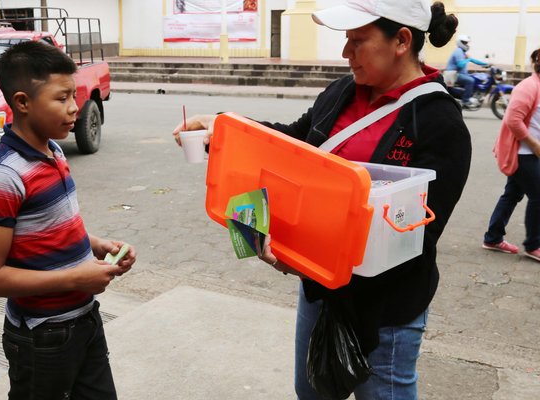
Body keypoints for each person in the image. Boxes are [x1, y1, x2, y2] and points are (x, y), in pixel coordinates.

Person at [172, 1, 470, 399]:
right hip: (320, 290)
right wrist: (224, 127)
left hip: (386, 311)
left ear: (401, 40)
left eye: (357, 41)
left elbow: (417, 238)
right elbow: (293, 143)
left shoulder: (438, 122)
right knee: (311, 391)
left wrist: (318, 257)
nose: (345, 53)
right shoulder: (343, 91)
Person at [0, 41, 136, 400]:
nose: (74, 108)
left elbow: (51, 223)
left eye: (73, 96)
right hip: (42, 336)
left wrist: (96, 243)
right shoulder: (3, 176)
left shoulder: (53, 149)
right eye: (61, 99)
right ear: (22, 102)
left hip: (85, 319)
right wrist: (76, 277)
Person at [483, 48, 540, 262]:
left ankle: (492, 238)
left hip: (530, 152)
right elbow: (513, 120)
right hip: (523, 152)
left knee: (513, 194)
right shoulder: (528, 87)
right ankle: (533, 245)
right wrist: (535, 145)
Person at [445, 34, 489, 108]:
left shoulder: (462, 52)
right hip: (452, 75)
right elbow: (460, 65)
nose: (466, 44)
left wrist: (486, 64)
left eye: (466, 43)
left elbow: (473, 60)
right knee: (470, 80)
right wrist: (469, 59)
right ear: (460, 42)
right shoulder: (458, 51)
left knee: (475, 77)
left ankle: (471, 95)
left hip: (458, 74)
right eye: (464, 43)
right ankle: (466, 101)